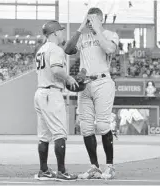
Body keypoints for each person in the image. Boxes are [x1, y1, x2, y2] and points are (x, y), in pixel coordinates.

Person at [65, 7, 119, 179]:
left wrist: (96, 29)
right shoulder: (83, 36)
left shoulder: (110, 34)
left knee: (103, 125)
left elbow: (110, 49)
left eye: (92, 19)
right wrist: (81, 28)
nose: (89, 22)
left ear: (100, 19)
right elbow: (68, 49)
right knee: (85, 127)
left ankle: (109, 166)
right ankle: (94, 166)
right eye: (88, 19)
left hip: (103, 80)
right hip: (85, 83)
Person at [34, 20, 78, 181]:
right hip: (51, 94)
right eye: (60, 31)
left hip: (40, 92)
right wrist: (69, 78)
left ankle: (44, 170)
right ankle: (62, 171)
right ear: (54, 33)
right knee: (60, 133)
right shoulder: (55, 49)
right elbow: (56, 69)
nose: (61, 33)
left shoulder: (41, 50)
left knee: (44, 135)